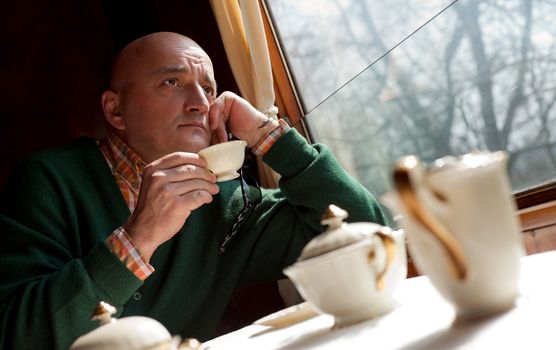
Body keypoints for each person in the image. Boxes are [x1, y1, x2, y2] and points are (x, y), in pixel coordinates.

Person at [0, 32, 387, 349]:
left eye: (208, 87)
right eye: (172, 82)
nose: (200, 103)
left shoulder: (229, 201)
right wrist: (139, 238)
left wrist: (269, 137)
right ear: (115, 111)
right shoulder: (46, 180)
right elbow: (16, 337)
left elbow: (369, 238)